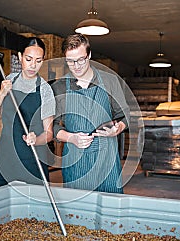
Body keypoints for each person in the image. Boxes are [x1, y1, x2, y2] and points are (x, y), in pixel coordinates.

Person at [52, 33, 130, 193]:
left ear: (89, 55)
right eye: (71, 61)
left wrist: (118, 128)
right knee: (78, 211)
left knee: (111, 209)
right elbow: (48, 126)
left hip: (106, 160)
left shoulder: (110, 81)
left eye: (81, 59)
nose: (77, 66)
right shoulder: (59, 87)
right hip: (75, 161)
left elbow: (125, 115)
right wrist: (70, 137)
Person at [0, 37, 55, 188]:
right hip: (6, 155)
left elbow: (49, 133)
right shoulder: (9, 81)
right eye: (29, 59)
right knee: (2, 203)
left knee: (33, 206)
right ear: (20, 57)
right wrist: (1, 94)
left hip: (32, 157)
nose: (33, 65)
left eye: (38, 60)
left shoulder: (45, 90)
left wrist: (36, 139)